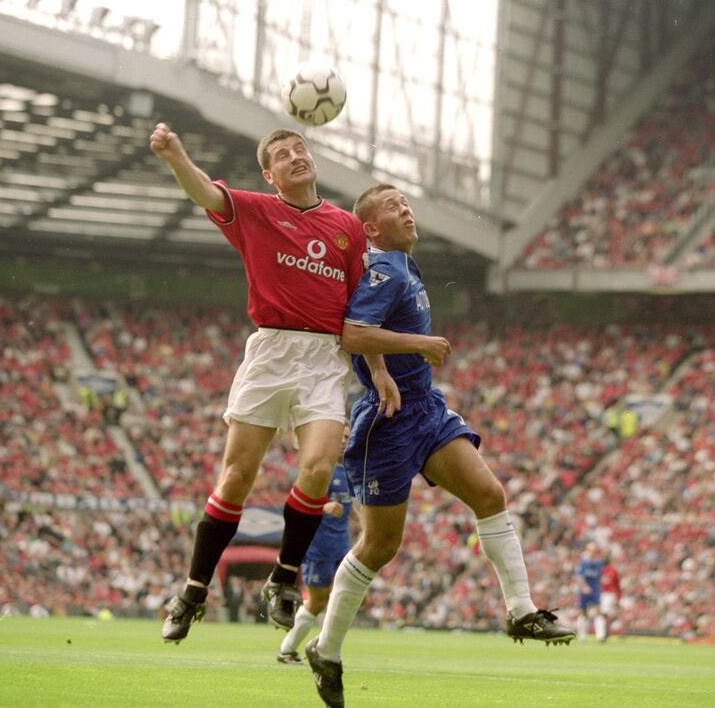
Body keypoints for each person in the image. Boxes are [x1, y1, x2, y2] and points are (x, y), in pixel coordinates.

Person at [304, 184, 574, 708]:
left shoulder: (402, 264)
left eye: (406, 201)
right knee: (380, 547)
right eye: (392, 206)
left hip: (424, 408)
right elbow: (353, 333)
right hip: (385, 425)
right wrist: (418, 345)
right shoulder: (385, 268)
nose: (407, 208)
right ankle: (327, 650)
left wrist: (385, 367)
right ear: (373, 229)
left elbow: (369, 330)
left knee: (490, 494)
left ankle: (520, 609)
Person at [150, 122, 371, 642]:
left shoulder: (346, 227)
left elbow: (360, 315)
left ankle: (283, 578)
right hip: (271, 351)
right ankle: (193, 591)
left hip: (323, 359)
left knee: (317, 469)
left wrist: (377, 373)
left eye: (301, 148)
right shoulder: (255, 211)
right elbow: (206, 190)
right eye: (282, 154)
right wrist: (176, 154)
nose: (296, 156)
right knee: (235, 480)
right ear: (269, 175)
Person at [277, 454, 356, 664]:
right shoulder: (320, 470)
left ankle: (324, 643)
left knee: (356, 595)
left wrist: (367, 527)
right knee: (317, 601)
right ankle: (287, 649)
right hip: (318, 547)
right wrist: (324, 507)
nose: (344, 441)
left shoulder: (347, 472)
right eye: (341, 436)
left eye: (347, 437)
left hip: (342, 546)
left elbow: (350, 506)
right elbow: (297, 505)